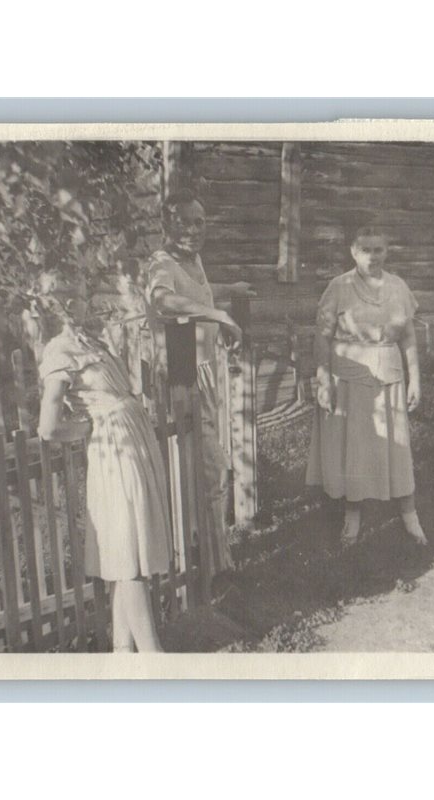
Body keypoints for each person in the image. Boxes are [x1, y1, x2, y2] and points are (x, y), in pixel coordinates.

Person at [36, 272, 171, 652]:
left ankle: (122, 652)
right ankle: (152, 656)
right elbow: (47, 427)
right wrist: (82, 430)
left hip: (133, 439)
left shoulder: (92, 341)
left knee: (129, 546)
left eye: (80, 295)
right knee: (128, 552)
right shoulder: (59, 351)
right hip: (114, 449)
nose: (77, 304)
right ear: (51, 305)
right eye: (67, 298)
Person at [147, 189, 254, 578]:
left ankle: (212, 557)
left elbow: (194, 309)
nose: (192, 230)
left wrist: (220, 316)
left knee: (210, 471)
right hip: (181, 378)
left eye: (198, 222)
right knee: (206, 471)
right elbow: (163, 301)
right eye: (182, 222)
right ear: (165, 225)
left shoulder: (194, 261)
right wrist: (217, 314)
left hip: (205, 374)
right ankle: (208, 566)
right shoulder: (161, 262)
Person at [305, 226, 428, 548]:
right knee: (356, 448)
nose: (373, 256)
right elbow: (322, 336)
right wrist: (323, 381)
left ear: (387, 252)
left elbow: (409, 337)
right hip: (349, 376)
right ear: (353, 252)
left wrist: (415, 379)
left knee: (397, 445)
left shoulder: (399, 287)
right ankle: (353, 516)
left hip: (389, 373)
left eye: (379, 250)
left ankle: (409, 514)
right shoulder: (339, 287)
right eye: (366, 250)